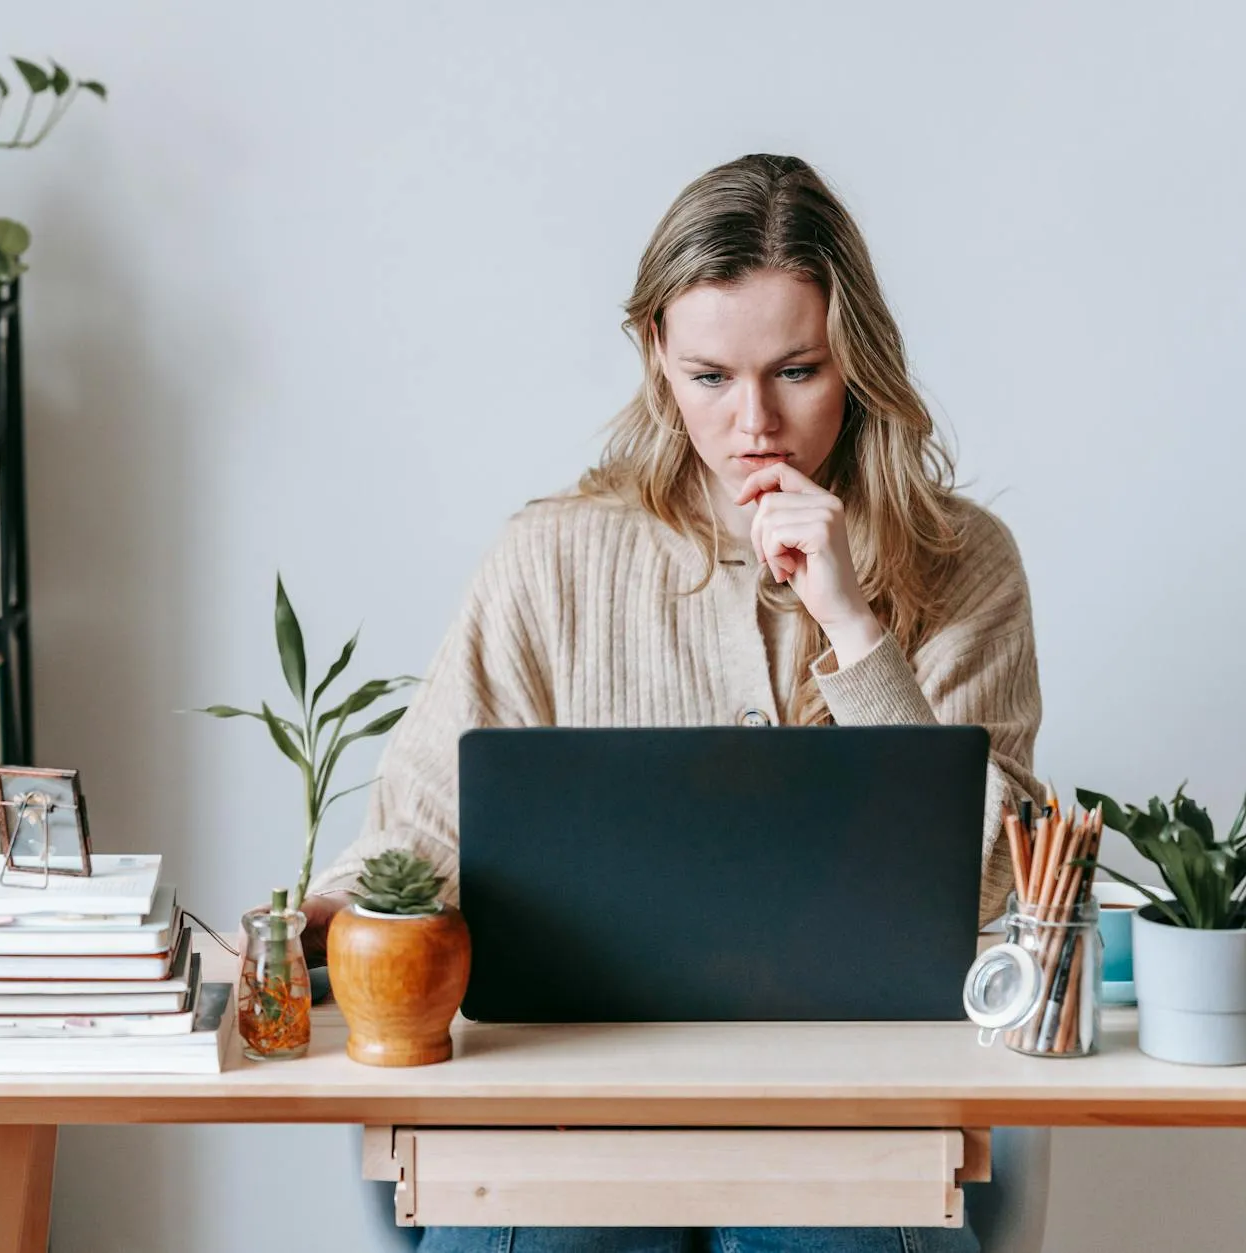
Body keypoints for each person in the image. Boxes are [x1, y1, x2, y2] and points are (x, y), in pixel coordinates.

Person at [300, 154, 1042, 1253]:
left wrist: (851, 624)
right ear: (654, 354)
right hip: (569, 1115)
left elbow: (996, 883)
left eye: (795, 370)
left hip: (856, 1121)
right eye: (708, 376)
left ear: (857, 360)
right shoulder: (548, 557)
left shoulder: (961, 561)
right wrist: (294, 934)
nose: (754, 424)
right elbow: (417, 836)